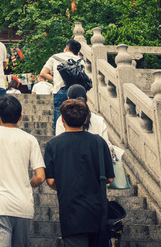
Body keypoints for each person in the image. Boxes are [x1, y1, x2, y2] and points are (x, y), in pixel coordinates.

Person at [0, 95, 45, 247]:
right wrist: (25, 184)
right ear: (20, 117)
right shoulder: (30, 139)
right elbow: (40, 176)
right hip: (23, 205)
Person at [45, 99, 115, 247]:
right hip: (98, 212)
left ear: (62, 119)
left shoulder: (53, 145)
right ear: (85, 119)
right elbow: (110, 177)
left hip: (71, 213)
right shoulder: (98, 142)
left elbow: (50, 181)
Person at [39, 39, 84, 131]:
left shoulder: (55, 57)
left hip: (60, 90)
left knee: (59, 118)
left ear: (66, 48)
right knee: (76, 118)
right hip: (76, 93)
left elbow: (43, 73)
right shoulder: (80, 61)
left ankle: (59, 137)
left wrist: (55, 80)